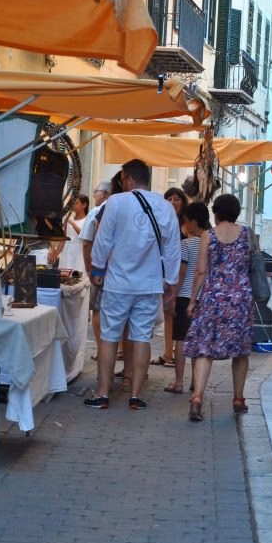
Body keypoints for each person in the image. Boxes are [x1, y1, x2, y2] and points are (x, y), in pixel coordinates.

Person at [86, 160, 181, 410]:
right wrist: (171, 281)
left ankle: (102, 393)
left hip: (118, 283)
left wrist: (97, 268)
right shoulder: (165, 206)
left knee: (109, 337)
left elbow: (103, 239)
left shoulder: (116, 202)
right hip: (149, 285)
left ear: (128, 179)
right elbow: (173, 248)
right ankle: (136, 395)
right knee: (141, 338)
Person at [184, 194, 255, 422]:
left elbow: (201, 271)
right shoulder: (248, 234)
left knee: (205, 348)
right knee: (240, 351)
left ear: (216, 213)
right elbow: (253, 264)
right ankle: (238, 398)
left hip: (213, 297)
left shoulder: (209, 235)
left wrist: (193, 300)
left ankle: (197, 398)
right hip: (240, 298)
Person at [164, 201, 209, 395]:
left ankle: (179, 382)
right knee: (198, 341)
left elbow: (181, 273)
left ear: (193, 222)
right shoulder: (211, 243)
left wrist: (172, 297)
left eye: (186, 221)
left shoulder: (185, 244)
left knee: (181, 339)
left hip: (185, 297)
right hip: (204, 297)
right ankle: (195, 382)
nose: (184, 225)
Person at [153, 187, 189, 368]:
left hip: (184, 275)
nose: (173, 202)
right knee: (168, 312)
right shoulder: (162, 220)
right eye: (169, 199)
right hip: (166, 272)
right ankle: (168, 353)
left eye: (176, 199)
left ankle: (176, 353)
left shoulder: (188, 223)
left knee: (178, 313)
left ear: (183, 201)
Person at [80, 181, 111, 358]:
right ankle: (119, 349)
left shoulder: (96, 212)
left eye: (96, 192)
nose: (94, 195)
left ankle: (101, 350)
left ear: (104, 193)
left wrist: (89, 268)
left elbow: (86, 243)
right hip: (117, 270)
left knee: (98, 309)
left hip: (100, 269)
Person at [52, 193, 88, 272]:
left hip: (80, 251)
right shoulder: (68, 220)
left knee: (78, 274)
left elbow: (84, 235)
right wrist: (55, 254)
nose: (73, 205)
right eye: (72, 203)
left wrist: (72, 223)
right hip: (67, 251)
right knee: (65, 273)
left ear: (84, 205)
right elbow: (63, 240)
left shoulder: (88, 220)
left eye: (76, 203)